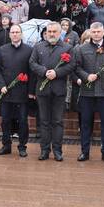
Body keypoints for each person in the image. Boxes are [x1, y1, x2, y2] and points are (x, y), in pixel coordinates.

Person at [74, 22, 104, 163]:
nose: (96, 34)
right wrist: (86, 76)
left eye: (98, 31)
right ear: (90, 32)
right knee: (86, 124)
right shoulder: (81, 49)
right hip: (87, 91)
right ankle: (84, 152)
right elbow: (76, 68)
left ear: (103, 32)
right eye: (93, 32)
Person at [30, 22, 75, 161]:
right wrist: (44, 72)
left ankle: (57, 150)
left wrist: (56, 73)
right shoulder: (38, 47)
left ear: (60, 32)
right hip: (42, 90)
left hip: (58, 90)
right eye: (49, 31)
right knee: (44, 121)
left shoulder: (67, 48)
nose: (51, 34)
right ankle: (44, 150)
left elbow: (72, 65)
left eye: (54, 31)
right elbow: (32, 63)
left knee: (57, 121)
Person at [0, 25, 35, 157]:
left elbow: (32, 72)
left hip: (22, 93)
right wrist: (1, 85)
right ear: (9, 34)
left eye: (17, 32)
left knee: (23, 120)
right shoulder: (2, 49)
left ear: (21, 34)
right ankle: (6, 145)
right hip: (6, 92)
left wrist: (31, 91)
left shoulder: (29, 50)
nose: (15, 34)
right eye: (13, 32)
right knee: (5, 120)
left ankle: (22, 146)